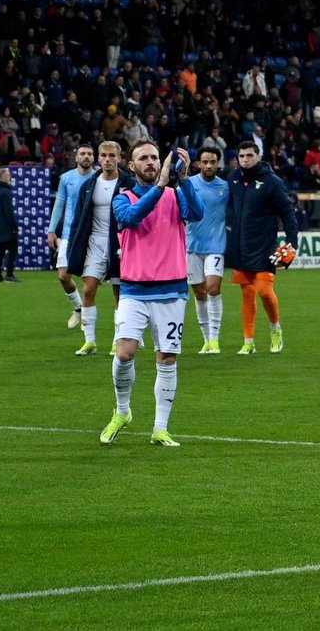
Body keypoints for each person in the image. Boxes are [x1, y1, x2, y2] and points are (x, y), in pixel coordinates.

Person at [99, 141, 204, 447]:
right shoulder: (122, 198)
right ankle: (122, 411)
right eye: (143, 158)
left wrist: (183, 180)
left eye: (155, 158)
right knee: (124, 352)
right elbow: (132, 217)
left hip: (171, 290)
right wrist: (160, 186)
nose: (150, 162)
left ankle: (160, 428)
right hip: (133, 290)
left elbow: (197, 212)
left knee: (167, 357)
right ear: (131, 166)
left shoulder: (175, 194)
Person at [227, 141, 299, 354]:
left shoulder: (272, 182)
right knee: (247, 294)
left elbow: (287, 213)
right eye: (241, 156)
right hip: (240, 247)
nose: (245, 160)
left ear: (258, 156)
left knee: (265, 292)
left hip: (265, 247)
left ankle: (275, 329)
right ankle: (248, 342)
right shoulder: (233, 178)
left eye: (249, 155)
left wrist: (292, 243)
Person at [66, 141, 134, 355]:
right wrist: (75, 244)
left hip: (119, 242)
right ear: (98, 157)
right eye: (103, 155)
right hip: (95, 241)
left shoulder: (128, 183)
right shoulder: (89, 184)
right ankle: (90, 341)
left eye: (111, 155)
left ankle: (117, 340)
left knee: (120, 294)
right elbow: (79, 217)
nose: (107, 159)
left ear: (119, 157)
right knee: (88, 289)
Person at [186, 146, 229, 354]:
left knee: (213, 288)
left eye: (213, 162)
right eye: (205, 162)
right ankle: (206, 340)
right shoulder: (189, 185)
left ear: (218, 163)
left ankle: (214, 339)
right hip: (191, 246)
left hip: (216, 245)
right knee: (199, 293)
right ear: (198, 164)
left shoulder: (226, 187)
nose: (209, 165)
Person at [47, 144, 95, 328]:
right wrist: (52, 230)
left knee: (89, 279)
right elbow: (59, 204)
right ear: (76, 158)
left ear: (93, 158)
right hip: (68, 233)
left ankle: (88, 321)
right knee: (63, 276)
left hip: (91, 233)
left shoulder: (98, 178)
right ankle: (78, 307)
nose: (86, 157)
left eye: (89, 154)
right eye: (82, 153)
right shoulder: (66, 178)